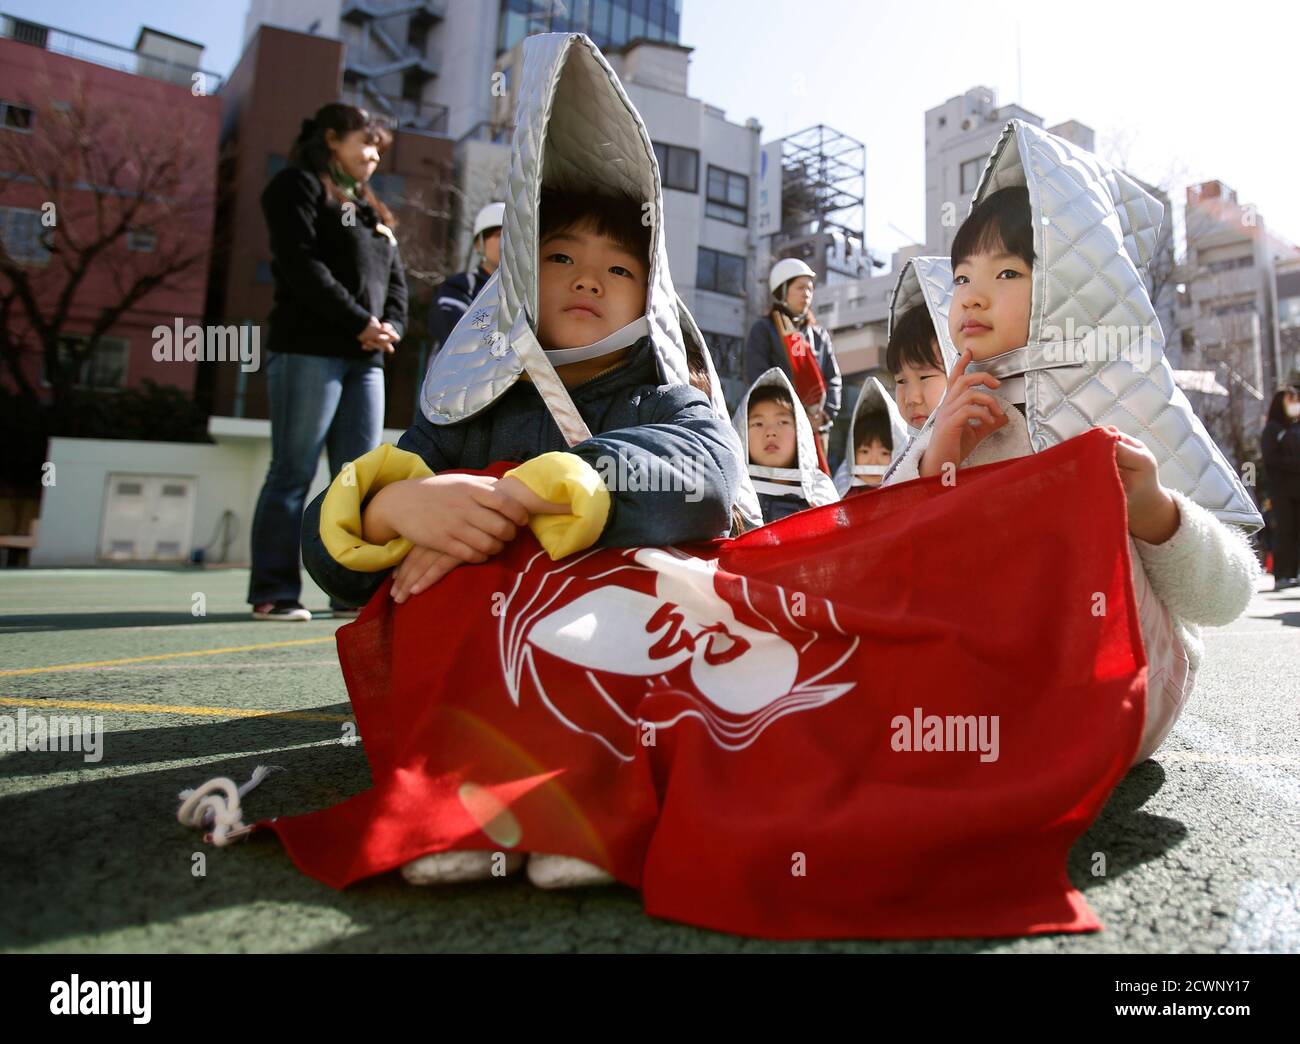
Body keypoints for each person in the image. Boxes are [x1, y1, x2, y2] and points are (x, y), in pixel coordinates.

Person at [299, 34, 756, 890]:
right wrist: (396, 511)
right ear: (515, 276)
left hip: (614, 683)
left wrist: (516, 500)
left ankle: (584, 807)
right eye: (559, 258)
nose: (589, 278)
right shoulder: (466, 405)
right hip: (470, 690)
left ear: (648, 295)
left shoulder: (663, 396)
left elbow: (705, 484)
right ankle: (462, 802)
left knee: (634, 576)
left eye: (619, 267)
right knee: (439, 579)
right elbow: (336, 567)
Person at [886, 120, 1261, 766]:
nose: (972, 294)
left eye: (1006, 273)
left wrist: (1156, 514)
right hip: (999, 694)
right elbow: (883, 561)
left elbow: (1228, 597)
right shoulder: (961, 404)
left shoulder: (1129, 393)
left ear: (1069, 278)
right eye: (963, 276)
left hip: (1129, 689)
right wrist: (932, 461)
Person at [248, 103, 406, 622]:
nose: (374, 155)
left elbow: (396, 284)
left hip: (366, 360)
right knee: (292, 472)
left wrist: (391, 327)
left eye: (379, 149)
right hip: (308, 351)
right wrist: (358, 319)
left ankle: (348, 590)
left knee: (355, 480)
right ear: (332, 138)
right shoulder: (295, 187)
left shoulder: (371, 210)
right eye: (366, 142)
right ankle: (274, 592)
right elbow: (300, 265)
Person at [744, 259, 841, 471]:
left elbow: (833, 379)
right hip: (781, 430)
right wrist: (791, 414)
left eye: (810, 288)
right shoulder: (764, 330)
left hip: (817, 430)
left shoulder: (819, 335)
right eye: (800, 288)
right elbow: (759, 379)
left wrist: (824, 414)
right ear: (782, 291)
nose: (807, 294)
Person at [735, 368, 839, 522]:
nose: (770, 432)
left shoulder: (821, 495)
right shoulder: (732, 498)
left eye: (782, 422)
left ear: (800, 431)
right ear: (742, 432)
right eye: (758, 423)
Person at [428, 201, 503, 353]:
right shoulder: (460, 286)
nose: (508, 242)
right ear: (479, 244)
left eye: (515, 238)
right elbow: (456, 335)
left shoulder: (533, 293)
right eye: (499, 235)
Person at [1261, 385, 1300, 590]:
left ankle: (1295, 572)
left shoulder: (1295, 428)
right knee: (1285, 530)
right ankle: (1283, 574)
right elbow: (1271, 459)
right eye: (1291, 401)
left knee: (1296, 531)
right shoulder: (1272, 429)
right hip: (1281, 489)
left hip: (1297, 488)